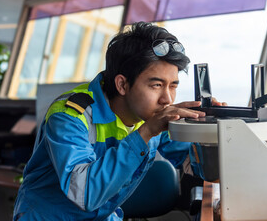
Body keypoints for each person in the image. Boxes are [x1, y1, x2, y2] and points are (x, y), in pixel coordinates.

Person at [13, 22, 224, 220]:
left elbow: (197, 168)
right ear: (122, 85)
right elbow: (85, 194)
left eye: (173, 86)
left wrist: (206, 130)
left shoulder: (148, 114)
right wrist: (146, 133)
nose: (167, 99)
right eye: (156, 85)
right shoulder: (69, 116)